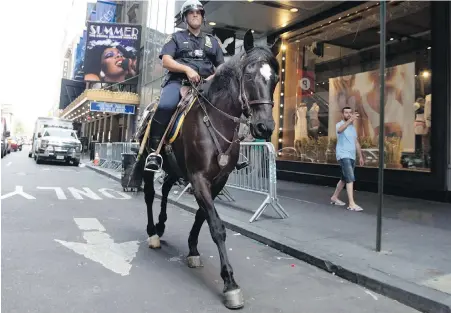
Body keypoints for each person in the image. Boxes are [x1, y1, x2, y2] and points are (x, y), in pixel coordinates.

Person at [146, 0, 247, 171]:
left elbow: (221, 67)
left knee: (228, 107)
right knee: (165, 106)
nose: (195, 14)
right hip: (178, 83)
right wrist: (187, 69)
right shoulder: (176, 37)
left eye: (198, 12)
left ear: (202, 17)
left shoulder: (212, 41)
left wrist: (211, 79)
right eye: (191, 12)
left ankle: (233, 152)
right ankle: (154, 153)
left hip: (206, 85)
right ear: (185, 17)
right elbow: (166, 61)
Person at [330, 107, 364, 211]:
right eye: (346, 113)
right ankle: (351, 204)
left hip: (352, 155)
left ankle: (334, 197)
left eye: (350, 113)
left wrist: (361, 156)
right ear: (342, 114)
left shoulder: (352, 128)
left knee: (344, 179)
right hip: (343, 155)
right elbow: (340, 131)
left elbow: (356, 142)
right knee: (350, 178)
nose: (348, 114)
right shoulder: (339, 124)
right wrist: (350, 120)